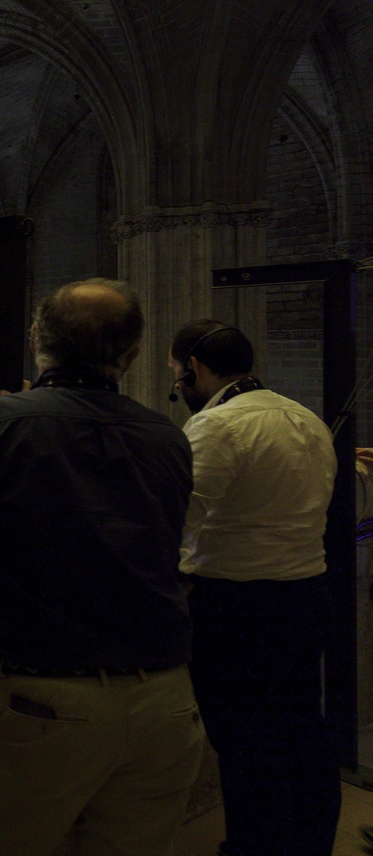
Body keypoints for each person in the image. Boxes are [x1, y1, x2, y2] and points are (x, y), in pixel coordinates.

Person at [0, 279, 206, 856]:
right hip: (164, 700)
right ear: (132, 354)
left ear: (37, 339)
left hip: (43, 701)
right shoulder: (168, 438)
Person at [169, 319, 340, 856]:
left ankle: (253, 847)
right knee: (302, 733)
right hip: (306, 594)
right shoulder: (305, 418)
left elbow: (175, 517)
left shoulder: (217, 426)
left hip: (238, 607)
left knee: (245, 742)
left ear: (193, 368)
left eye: (176, 375)